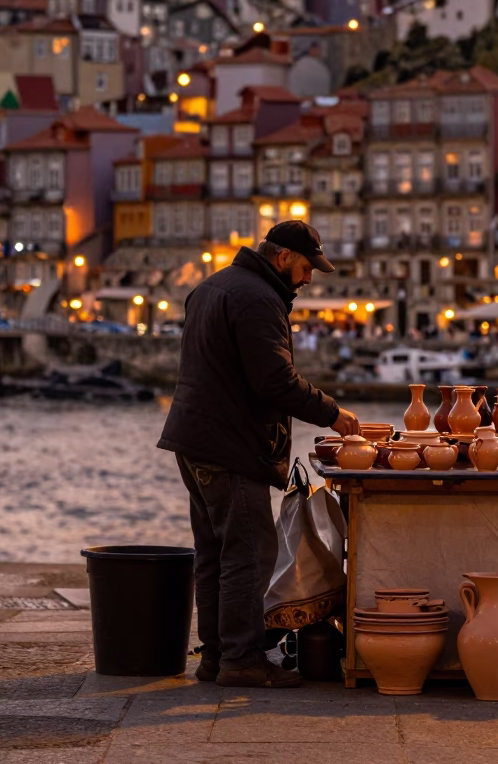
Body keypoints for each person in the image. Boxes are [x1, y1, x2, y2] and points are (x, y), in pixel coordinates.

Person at [158, 221, 360, 687]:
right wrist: (334, 414)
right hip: (230, 445)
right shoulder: (257, 299)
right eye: (307, 268)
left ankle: (216, 656)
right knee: (250, 551)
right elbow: (274, 381)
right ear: (284, 257)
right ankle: (242, 661)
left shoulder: (213, 287)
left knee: (214, 552)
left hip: (194, 439)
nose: (309, 280)